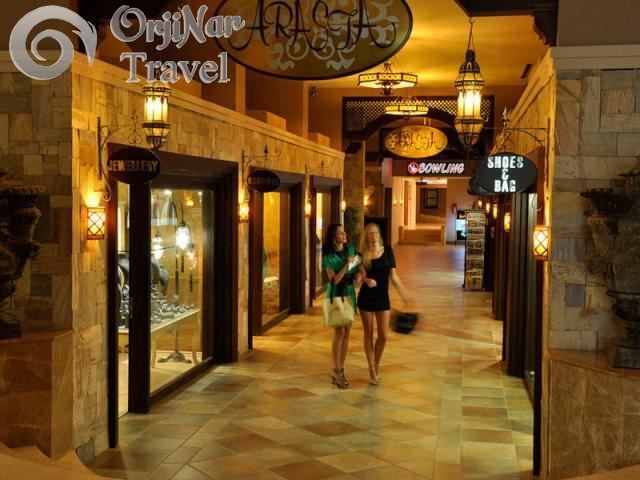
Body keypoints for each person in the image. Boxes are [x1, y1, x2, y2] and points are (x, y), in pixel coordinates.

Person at [358, 223, 409, 386]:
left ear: (379, 235)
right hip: (366, 297)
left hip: (382, 297)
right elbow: (359, 278)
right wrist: (366, 280)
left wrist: (404, 294)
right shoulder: (361, 254)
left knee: (383, 335)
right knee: (368, 334)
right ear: (366, 236)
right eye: (370, 233)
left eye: (375, 233)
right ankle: (372, 370)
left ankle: (376, 363)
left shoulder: (387, 251)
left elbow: (394, 276)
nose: (373, 235)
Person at [322, 223, 359, 389]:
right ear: (333, 237)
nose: (344, 234)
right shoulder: (328, 256)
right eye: (340, 232)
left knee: (347, 333)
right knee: (339, 333)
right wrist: (347, 265)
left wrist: (359, 276)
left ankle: (341, 369)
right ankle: (336, 370)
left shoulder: (351, 249)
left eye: (344, 231)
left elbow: (357, 268)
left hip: (349, 292)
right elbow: (334, 280)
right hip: (336, 294)